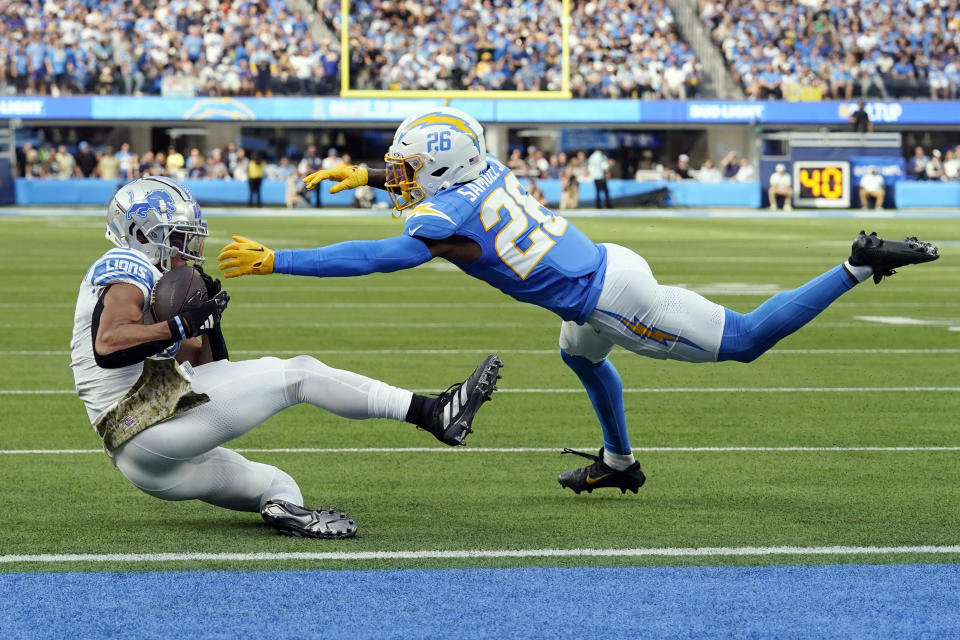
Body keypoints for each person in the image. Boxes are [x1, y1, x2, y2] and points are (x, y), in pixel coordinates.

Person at [217, 106, 940, 495]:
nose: (400, 180)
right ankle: (619, 461)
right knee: (580, 356)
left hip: (612, 298)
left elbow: (376, 257)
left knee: (745, 338)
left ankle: (853, 263)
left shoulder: (441, 218)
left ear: (437, 170)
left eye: (407, 171)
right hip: (599, 274)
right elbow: (444, 178)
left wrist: (280, 259)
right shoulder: (481, 167)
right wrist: (372, 174)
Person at [70, 175, 502, 538]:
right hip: (143, 420)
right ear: (142, 234)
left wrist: (208, 323)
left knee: (277, 484)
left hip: (147, 462)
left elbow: (210, 372)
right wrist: (183, 324)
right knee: (299, 374)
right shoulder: (127, 262)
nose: (188, 250)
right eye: (179, 239)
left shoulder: (151, 282)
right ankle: (431, 412)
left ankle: (287, 515)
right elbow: (109, 345)